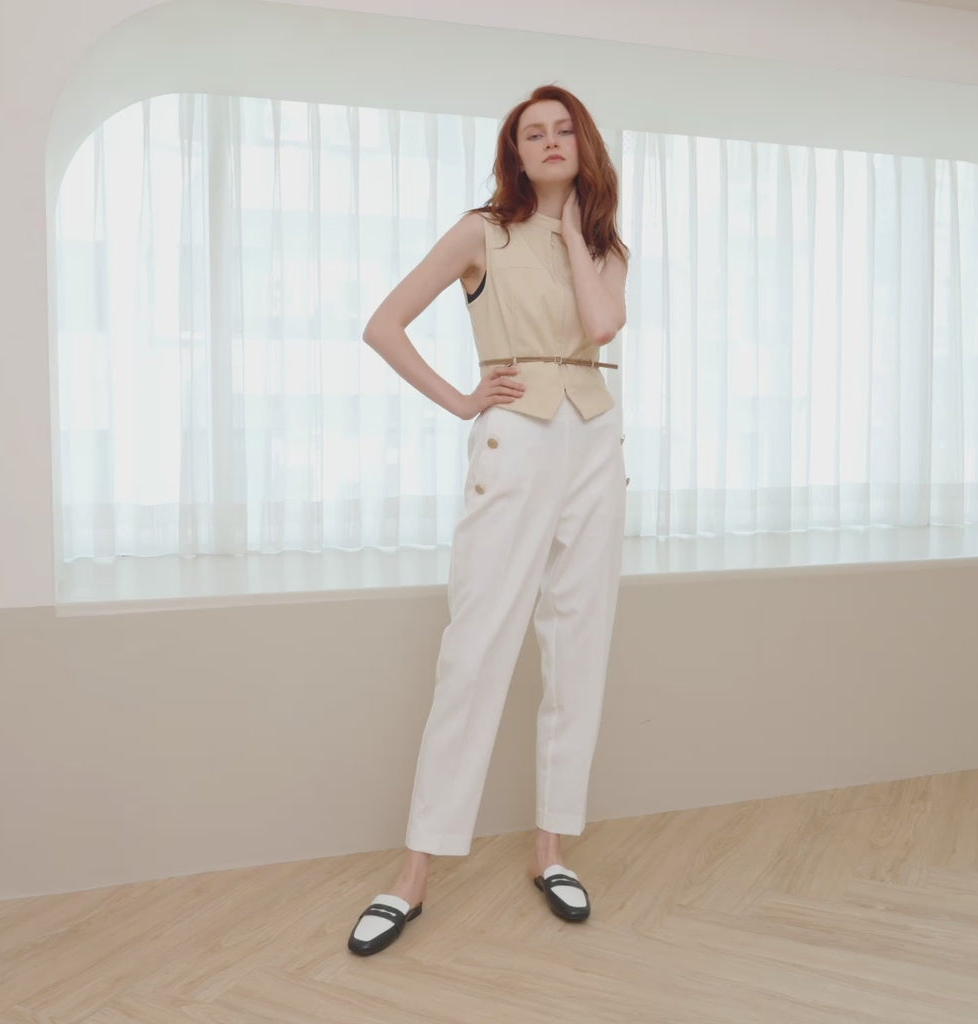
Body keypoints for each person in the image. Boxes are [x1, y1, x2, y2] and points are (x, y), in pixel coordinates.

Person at [347, 84, 629, 956]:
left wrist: (575, 229)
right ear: (515, 153)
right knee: (474, 652)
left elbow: (602, 325)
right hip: (517, 437)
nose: (549, 142)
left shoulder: (604, 244)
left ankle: (552, 851)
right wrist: (464, 399)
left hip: (596, 440)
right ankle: (413, 876)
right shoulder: (482, 232)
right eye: (532, 134)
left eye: (563, 130)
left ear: (583, 143)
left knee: (579, 647)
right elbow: (384, 325)